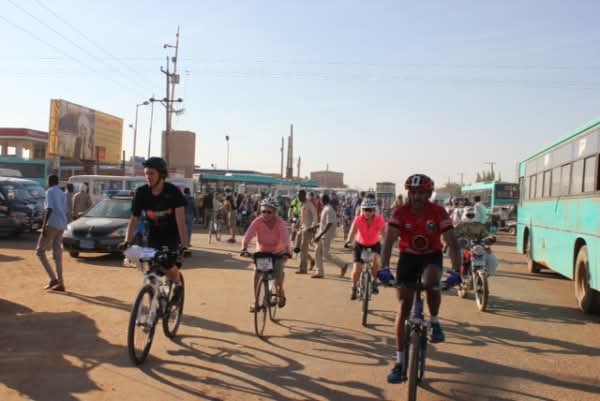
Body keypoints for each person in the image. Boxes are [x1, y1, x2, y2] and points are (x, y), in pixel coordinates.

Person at [381, 174, 461, 383]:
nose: (416, 197)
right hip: (408, 258)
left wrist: (456, 271)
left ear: (428, 194)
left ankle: (434, 321)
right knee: (403, 307)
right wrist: (383, 267)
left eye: (421, 193)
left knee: (432, 281)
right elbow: (389, 241)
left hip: (430, 257)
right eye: (413, 192)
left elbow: (452, 242)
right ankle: (399, 363)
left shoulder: (438, 212)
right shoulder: (401, 212)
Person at [123, 157, 188, 303]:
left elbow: (181, 221)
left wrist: (184, 246)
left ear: (161, 175)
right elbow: (134, 219)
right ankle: (155, 301)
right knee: (150, 269)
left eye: (152, 173)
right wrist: (126, 242)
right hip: (152, 234)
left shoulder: (173, 192)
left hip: (171, 235)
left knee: (168, 264)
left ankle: (177, 284)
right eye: (146, 173)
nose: (148, 177)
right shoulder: (141, 192)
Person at [241, 198, 291, 311]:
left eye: (269, 212)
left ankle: (280, 292)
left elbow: (285, 239)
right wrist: (244, 248)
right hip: (262, 252)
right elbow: (248, 235)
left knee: (278, 276)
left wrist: (287, 251)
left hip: (278, 253)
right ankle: (256, 301)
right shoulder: (258, 221)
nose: (265, 214)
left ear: (275, 212)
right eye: (263, 211)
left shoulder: (280, 223)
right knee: (257, 275)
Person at [345, 198, 386, 298]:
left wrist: (386, 244)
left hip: (374, 244)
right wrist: (348, 241)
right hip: (360, 245)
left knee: (376, 263)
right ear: (362, 210)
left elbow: (384, 233)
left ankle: (374, 282)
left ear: (374, 211)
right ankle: (354, 287)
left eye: (370, 210)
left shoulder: (379, 219)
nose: (367, 212)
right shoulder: (358, 219)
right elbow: (352, 231)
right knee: (357, 269)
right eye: (365, 209)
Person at [36, 174, 68, 291]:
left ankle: (53, 278)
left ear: (49, 182)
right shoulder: (61, 193)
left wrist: (44, 225)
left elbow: (49, 208)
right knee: (58, 255)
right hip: (61, 225)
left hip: (52, 224)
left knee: (40, 251)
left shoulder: (50, 191)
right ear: (57, 182)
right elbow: (65, 210)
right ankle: (60, 283)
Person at [312, 194, 348, 278]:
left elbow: (329, 223)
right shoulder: (325, 208)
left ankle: (343, 265)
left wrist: (320, 235)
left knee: (326, 254)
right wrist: (315, 226)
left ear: (322, 200)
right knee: (317, 253)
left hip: (326, 235)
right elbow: (323, 223)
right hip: (322, 234)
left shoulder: (329, 209)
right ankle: (319, 272)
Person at [295, 189, 318, 274]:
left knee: (303, 248)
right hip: (302, 228)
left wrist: (313, 227)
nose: (298, 197)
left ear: (303, 195)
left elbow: (315, 215)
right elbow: (302, 216)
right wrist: (298, 223)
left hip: (309, 229)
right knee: (299, 248)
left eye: (300, 196)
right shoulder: (302, 204)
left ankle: (303, 269)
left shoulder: (309, 204)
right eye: (298, 196)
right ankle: (311, 260)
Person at [183, 187, 197, 255]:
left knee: (182, 229)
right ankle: (188, 243)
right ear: (189, 192)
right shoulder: (191, 199)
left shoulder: (181, 198)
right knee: (189, 230)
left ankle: (182, 242)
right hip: (189, 215)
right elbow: (194, 207)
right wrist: (197, 216)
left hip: (182, 215)